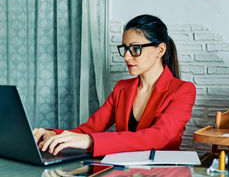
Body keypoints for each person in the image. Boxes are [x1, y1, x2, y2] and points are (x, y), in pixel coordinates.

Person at [32, 14, 196, 157]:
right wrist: (53, 134)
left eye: (135, 49)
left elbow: (159, 137)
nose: (126, 56)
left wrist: (90, 141)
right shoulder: (122, 88)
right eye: (125, 49)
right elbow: (89, 129)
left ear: (160, 50)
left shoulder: (183, 90)